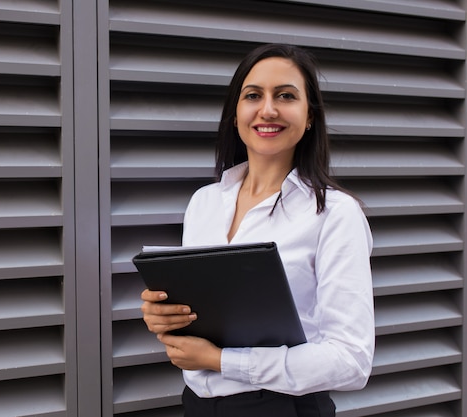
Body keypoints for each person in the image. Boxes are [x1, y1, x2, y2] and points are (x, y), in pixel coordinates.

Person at [140, 43, 375, 417]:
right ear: (235, 113)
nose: (268, 109)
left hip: (284, 408)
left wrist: (222, 360)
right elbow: (207, 316)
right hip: (198, 406)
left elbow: (351, 360)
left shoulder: (335, 214)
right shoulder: (204, 203)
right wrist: (167, 317)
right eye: (253, 95)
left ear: (309, 115)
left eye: (285, 95)